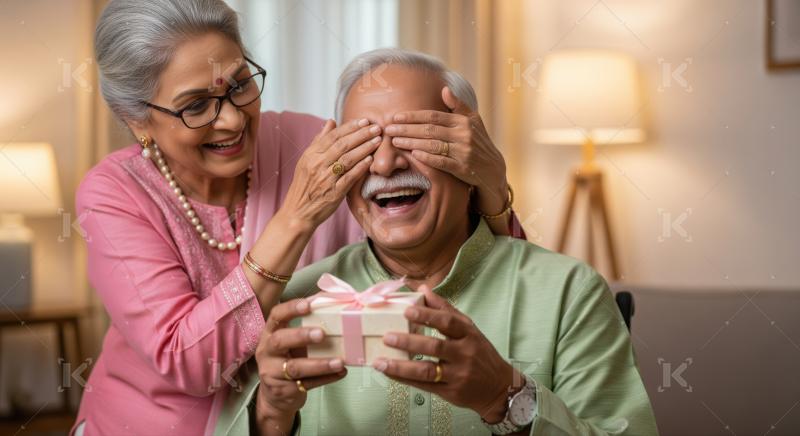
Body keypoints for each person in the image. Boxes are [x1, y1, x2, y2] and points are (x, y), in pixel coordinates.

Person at [74, 1, 521, 434]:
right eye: (196, 106)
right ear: (137, 121)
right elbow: (190, 363)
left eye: (239, 84)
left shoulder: (311, 141)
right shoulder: (112, 194)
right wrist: (297, 217)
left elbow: (468, 262)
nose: (231, 119)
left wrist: (490, 184)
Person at [214, 48, 659, 436]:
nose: (385, 164)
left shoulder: (569, 294)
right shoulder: (298, 305)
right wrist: (271, 412)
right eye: (364, 145)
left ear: (469, 156)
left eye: (413, 137)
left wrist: (505, 398)